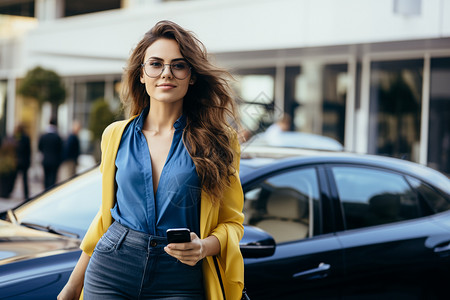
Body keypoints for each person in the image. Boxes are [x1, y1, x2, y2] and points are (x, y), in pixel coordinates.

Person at [58, 20, 245, 300]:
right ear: (142, 75)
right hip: (112, 266)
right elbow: (105, 216)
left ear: (191, 76)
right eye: (155, 64)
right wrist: (73, 286)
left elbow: (233, 222)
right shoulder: (115, 135)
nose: (166, 73)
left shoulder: (220, 140)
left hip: (180, 275)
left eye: (178, 65)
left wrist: (204, 247)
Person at [38, 117, 63, 189]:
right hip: (55, 161)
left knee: (46, 177)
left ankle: (46, 191)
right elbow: (60, 149)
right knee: (53, 179)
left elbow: (39, 147)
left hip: (45, 160)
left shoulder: (43, 136)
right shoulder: (57, 137)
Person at [13, 123, 31, 199]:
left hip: (17, 160)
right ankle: (26, 194)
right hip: (24, 161)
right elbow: (29, 151)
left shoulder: (15, 137)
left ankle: (9, 191)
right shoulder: (26, 138)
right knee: (24, 179)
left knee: (14, 178)